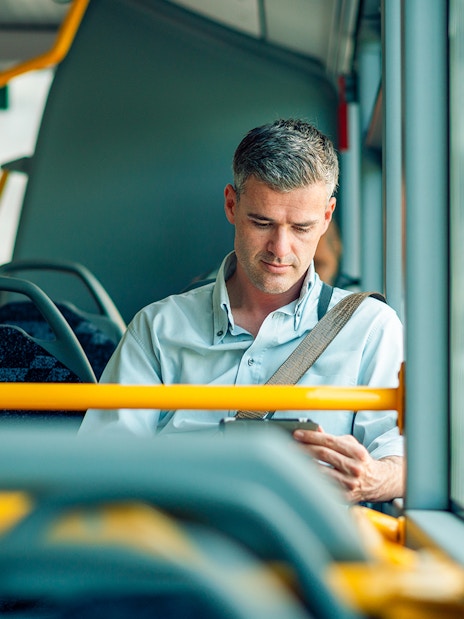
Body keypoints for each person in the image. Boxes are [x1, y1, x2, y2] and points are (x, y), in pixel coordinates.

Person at [79, 119, 404, 504]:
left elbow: (402, 458)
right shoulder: (158, 328)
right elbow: (99, 465)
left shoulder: (370, 328)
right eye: (262, 223)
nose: (280, 250)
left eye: (301, 228)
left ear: (327, 217)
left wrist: (372, 478)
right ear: (232, 205)